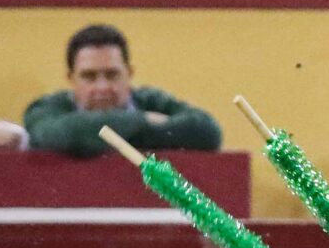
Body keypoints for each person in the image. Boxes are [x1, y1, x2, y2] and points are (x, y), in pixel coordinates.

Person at [22, 22, 224, 157]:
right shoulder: (47, 108)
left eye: (112, 75)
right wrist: (143, 121)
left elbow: (207, 131)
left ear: (129, 74)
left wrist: (93, 136)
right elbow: (52, 135)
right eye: (89, 77)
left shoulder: (152, 101)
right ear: (70, 79)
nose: (102, 87)